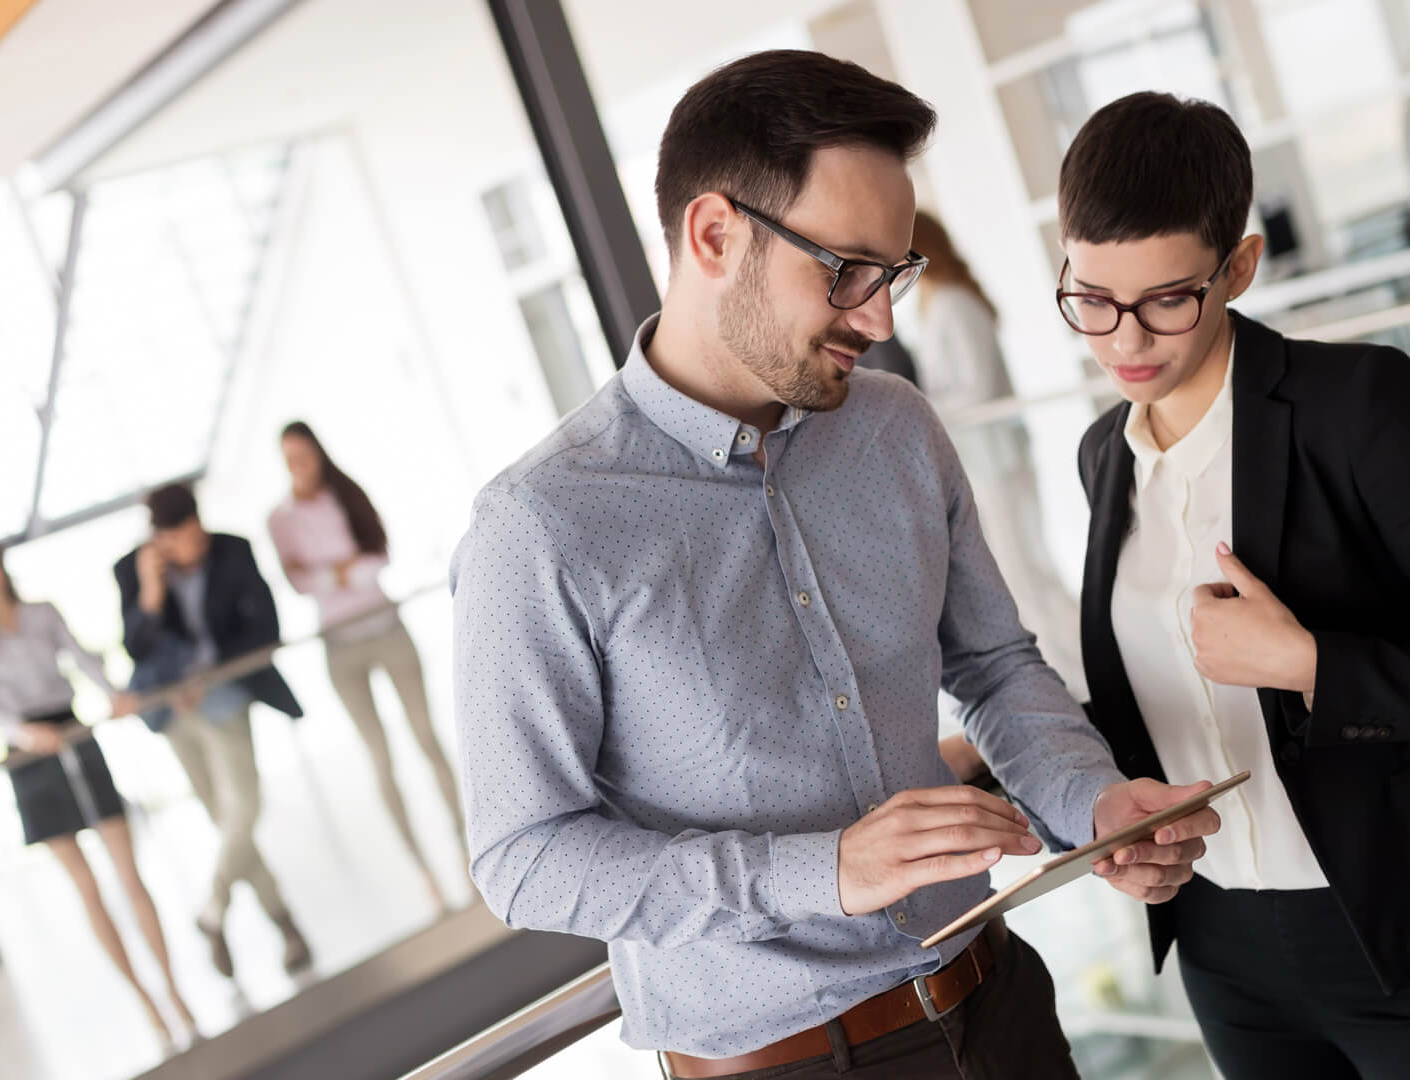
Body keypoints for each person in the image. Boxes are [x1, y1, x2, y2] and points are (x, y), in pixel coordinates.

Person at [450, 51, 1222, 1080]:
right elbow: (525, 859)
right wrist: (824, 870)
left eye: (894, 274)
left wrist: (1092, 801)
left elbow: (992, 665)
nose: (881, 317)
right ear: (715, 234)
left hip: (999, 1009)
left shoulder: (896, 428)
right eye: (847, 270)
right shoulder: (537, 529)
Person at [1059, 92, 1410, 1079]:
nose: (1123, 341)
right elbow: (1165, 704)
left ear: (1239, 268)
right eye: (1090, 298)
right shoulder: (1103, 456)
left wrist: (1307, 663)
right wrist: (1006, 758)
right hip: (1223, 955)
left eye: (1168, 299)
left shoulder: (1359, 404)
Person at [0, 535, 196, 1049]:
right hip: (28, 755)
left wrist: (113, 694)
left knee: (130, 875)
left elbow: (84, 660)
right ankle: (146, 1003)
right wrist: (22, 733)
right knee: (88, 888)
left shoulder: (40, 614)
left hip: (74, 734)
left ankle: (174, 991)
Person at [114, 483, 312, 978]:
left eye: (197, 536)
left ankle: (211, 910)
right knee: (224, 820)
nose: (195, 549)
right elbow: (135, 648)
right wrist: (152, 592)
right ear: (159, 540)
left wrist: (209, 671)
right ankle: (285, 924)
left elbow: (266, 626)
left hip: (226, 694)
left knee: (244, 807)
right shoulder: (130, 571)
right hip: (174, 714)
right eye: (181, 541)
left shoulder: (233, 549)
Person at [268, 420, 460, 912]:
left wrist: (330, 572)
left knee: (426, 738)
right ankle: (423, 868)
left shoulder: (347, 495)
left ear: (318, 453)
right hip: (341, 648)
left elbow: (377, 560)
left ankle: (466, 846)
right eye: (290, 458)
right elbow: (302, 585)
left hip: (387, 629)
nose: (299, 466)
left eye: (305, 455)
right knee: (380, 757)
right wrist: (343, 569)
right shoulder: (280, 519)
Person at [911, 210, 1087, 700]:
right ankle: (1072, 672)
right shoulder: (938, 305)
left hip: (996, 462)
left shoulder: (953, 304)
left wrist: (917, 406)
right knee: (1022, 571)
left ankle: (1076, 676)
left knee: (1025, 572)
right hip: (987, 461)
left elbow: (978, 389)